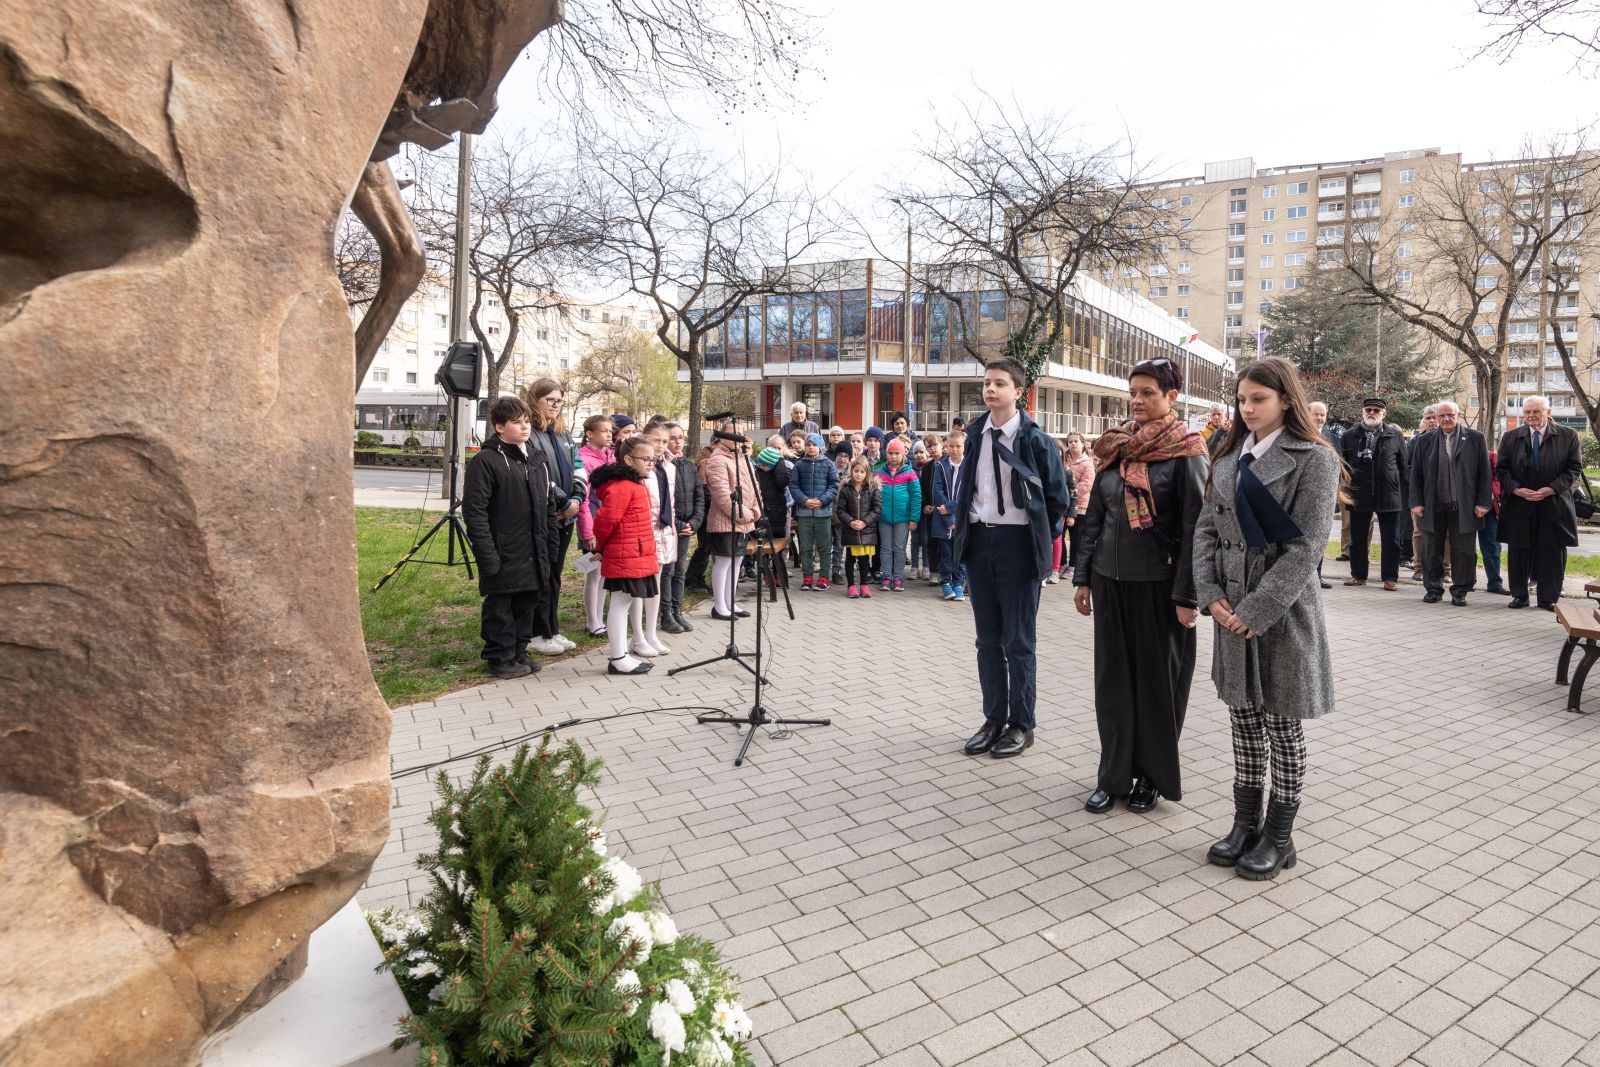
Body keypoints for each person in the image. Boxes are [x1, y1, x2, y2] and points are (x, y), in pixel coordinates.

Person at [1194, 357, 1342, 881]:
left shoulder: (1314, 458)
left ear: (1285, 400)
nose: (1248, 408)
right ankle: (1244, 824)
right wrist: (1210, 595)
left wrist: (1254, 611)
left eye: (1259, 399)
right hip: (1229, 606)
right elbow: (1206, 530)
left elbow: (1305, 549)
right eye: (1242, 399)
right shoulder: (1228, 452)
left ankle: (1279, 836)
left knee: (1282, 725)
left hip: (1281, 611)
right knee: (1243, 721)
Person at [1073, 359, 1207, 815]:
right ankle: (1112, 776)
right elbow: (1095, 517)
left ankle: (1151, 776)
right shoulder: (1118, 447)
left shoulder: (1187, 452)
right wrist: (1084, 576)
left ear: (1172, 397)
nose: (1137, 400)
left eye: (1148, 392)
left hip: (1160, 589)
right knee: (1112, 684)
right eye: (1134, 391)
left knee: (1156, 688)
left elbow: (1196, 530)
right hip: (1111, 583)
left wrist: (1188, 595)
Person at [952, 357, 1072, 760]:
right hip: (979, 543)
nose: (990, 389)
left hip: (1017, 544)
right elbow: (968, 488)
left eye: (999, 383)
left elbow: (1058, 499)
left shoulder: (1034, 439)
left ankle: (1022, 724)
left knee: (1018, 642)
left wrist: (1039, 538)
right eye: (986, 383)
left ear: (1018, 392)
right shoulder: (976, 436)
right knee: (987, 640)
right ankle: (993, 719)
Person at [462, 396, 553, 679]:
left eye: (526, 421)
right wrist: (488, 555)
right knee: (501, 607)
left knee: (526, 603)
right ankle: (499, 657)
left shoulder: (536, 460)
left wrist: (548, 546)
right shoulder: (487, 461)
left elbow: (547, 505)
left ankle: (519, 650)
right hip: (504, 550)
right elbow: (475, 511)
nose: (524, 427)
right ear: (499, 427)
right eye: (516, 422)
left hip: (533, 549)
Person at [1499, 395, 1582, 610]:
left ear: (1548, 413)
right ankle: (1519, 595)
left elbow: (1573, 469)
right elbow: (1502, 469)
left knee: (1552, 552)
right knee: (1519, 552)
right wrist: (1517, 489)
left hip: (1553, 504)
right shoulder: (1511, 437)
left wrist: (1551, 489)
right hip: (1520, 504)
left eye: (1536, 411)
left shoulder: (1568, 435)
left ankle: (1548, 599)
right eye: (1527, 412)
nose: (1531, 416)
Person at [1409, 400, 1491, 606]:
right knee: (1430, 549)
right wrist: (1416, 502)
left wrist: (1483, 502)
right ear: (1435, 417)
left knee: (1464, 551)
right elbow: (1416, 474)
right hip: (1432, 505)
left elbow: (1484, 473)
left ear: (1459, 415)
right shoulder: (1424, 440)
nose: (1446, 419)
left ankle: (1460, 590)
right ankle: (1433, 588)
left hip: (1464, 506)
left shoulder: (1475, 438)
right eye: (1441, 415)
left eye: (1450, 415)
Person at [590, 436, 660, 676]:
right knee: (620, 603)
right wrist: (600, 548)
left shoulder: (635, 483)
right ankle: (618, 657)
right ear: (629, 459)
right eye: (646, 459)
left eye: (653, 459)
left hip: (634, 553)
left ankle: (621, 655)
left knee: (625, 602)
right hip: (625, 554)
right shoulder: (623, 486)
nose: (651, 463)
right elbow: (604, 521)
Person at [526, 379, 585, 655]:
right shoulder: (530, 432)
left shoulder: (562, 433)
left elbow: (579, 468)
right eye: (550, 400)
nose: (555, 405)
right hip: (546, 512)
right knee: (544, 574)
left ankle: (552, 628)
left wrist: (576, 499)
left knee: (556, 575)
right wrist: (563, 499)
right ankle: (538, 632)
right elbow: (538, 473)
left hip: (566, 514)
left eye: (559, 400)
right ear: (535, 399)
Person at [1339, 397, 1408, 592]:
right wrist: (1345, 491)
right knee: (1358, 538)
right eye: (1368, 410)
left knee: (1391, 540)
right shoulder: (1349, 435)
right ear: (1362, 412)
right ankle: (1358, 575)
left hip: (1389, 494)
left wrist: (1402, 494)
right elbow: (1342, 467)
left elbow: (1404, 468)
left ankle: (1390, 577)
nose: (1372, 413)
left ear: (1384, 414)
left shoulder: (1395, 435)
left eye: (1376, 411)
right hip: (1359, 494)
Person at [703, 426, 762, 621]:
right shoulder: (717, 460)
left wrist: (756, 510)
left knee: (737, 561)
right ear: (723, 437)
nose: (739, 436)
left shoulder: (743, 458)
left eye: (742, 432)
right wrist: (745, 514)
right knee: (724, 561)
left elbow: (755, 487)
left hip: (744, 520)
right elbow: (722, 495)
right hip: (725, 521)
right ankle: (719, 605)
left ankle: (730, 602)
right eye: (734, 432)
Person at [627, 423, 676, 659]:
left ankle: (651, 633)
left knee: (654, 586)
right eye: (656, 440)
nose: (660, 446)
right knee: (639, 588)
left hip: (662, 532)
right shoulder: (639, 469)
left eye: (664, 441)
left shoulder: (667, 466)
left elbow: (670, 501)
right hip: (642, 534)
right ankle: (637, 636)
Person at [660, 422, 706, 634]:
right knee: (667, 570)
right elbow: (663, 501)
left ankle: (678, 611)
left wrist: (695, 522)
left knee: (679, 570)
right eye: (673, 438)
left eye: (681, 437)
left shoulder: (688, 465)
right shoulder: (662, 467)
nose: (678, 441)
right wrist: (678, 524)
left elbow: (699, 494)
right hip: (671, 526)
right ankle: (666, 613)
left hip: (687, 526)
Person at [576, 414, 615, 637]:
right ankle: (593, 621)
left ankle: (600, 618)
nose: (609, 435)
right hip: (593, 524)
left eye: (610, 431)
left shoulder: (609, 457)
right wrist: (588, 532)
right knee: (594, 573)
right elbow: (585, 501)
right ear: (590, 434)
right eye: (604, 431)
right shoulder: (584, 459)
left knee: (603, 573)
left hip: (608, 525)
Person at [789, 432, 840, 591]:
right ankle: (807, 577)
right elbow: (793, 486)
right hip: (804, 513)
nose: (811, 447)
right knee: (806, 547)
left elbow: (834, 485)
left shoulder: (828, 464)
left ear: (820, 447)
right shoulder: (799, 465)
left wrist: (821, 500)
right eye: (808, 444)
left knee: (824, 547)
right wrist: (804, 500)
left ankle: (824, 577)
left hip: (823, 513)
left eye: (814, 444)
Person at [876, 438, 922, 591]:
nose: (893, 456)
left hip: (903, 518)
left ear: (903, 454)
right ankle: (887, 576)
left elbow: (916, 497)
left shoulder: (910, 473)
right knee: (885, 547)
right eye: (890, 453)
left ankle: (898, 578)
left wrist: (914, 518)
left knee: (900, 548)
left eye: (897, 453)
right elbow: (874, 494)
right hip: (884, 517)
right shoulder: (879, 472)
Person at [835, 457, 881, 599]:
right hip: (851, 530)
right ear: (851, 471)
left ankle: (864, 585)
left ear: (867, 473)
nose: (859, 474)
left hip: (867, 531)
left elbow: (877, 508)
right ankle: (851, 586)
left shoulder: (872, 488)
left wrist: (865, 522)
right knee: (850, 559)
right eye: (856, 471)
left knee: (864, 560)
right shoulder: (845, 489)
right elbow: (840, 510)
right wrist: (851, 522)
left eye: (862, 471)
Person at [930, 430, 967, 601]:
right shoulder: (940, 466)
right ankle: (946, 583)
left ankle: (959, 583)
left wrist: (951, 509)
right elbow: (937, 490)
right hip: (943, 517)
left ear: (964, 446)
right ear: (946, 446)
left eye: (958, 446)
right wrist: (948, 517)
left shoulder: (969, 466)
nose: (954, 449)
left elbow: (969, 493)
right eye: (951, 446)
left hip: (962, 518)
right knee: (945, 553)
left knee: (960, 553)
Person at [1406, 406, 1439, 579]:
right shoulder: (1415, 441)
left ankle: (1445, 570)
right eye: (1428, 418)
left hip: (1443, 495)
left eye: (1435, 417)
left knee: (1446, 534)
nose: (1432, 421)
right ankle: (1419, 567)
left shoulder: (1448, 438)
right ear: (1423, 421)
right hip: (1420, 494)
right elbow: (1408, 467)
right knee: (1419, 531)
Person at [1063, 431, 1095, 580]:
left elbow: (1086, 485)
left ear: (1082, 444)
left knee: (1077, 537)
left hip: (1080, 506)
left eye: (1076, 441)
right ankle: (1062, 563)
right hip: (1063, 505)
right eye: (1070, 442)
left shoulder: (1087, 463)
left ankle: (1074, 565)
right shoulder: (1064, 461)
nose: (1073, 444)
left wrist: (1069, 495)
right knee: (1060, 536)